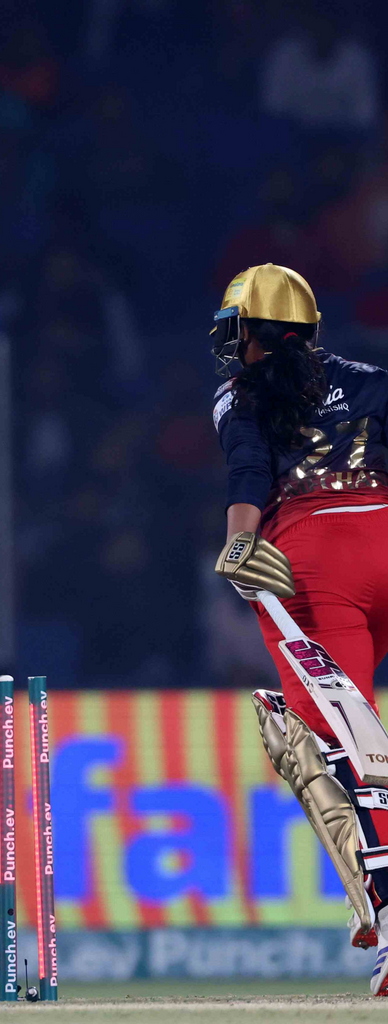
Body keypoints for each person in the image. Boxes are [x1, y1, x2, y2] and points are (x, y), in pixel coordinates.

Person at [210, 263, 388, 997]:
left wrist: (239, 543)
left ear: (251, 333)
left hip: (314, 565)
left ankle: (383, 905)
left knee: (335, 743)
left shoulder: (240, 394)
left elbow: (249, 471)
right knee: (355, 737)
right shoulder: (372, 378)